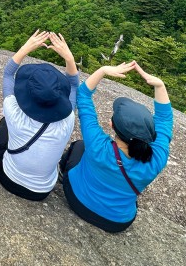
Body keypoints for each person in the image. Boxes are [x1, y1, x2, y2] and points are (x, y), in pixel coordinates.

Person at [59, 61, 173, 232]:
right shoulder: (157, 158)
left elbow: (83, 96)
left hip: (77, 200)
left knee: (79, 147)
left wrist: (103, 70)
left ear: (111, 125)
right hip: (117, 222)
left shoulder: (97, 145)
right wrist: (160, 85)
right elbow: (164, 120)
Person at [0, 30, 79, 201]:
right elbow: (74, 86)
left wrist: (26, 48)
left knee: (3, 125)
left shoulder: (14, 114)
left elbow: (8, 74)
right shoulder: (68, 119)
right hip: (42, 192)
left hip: (7, 179)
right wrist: (69, 58)